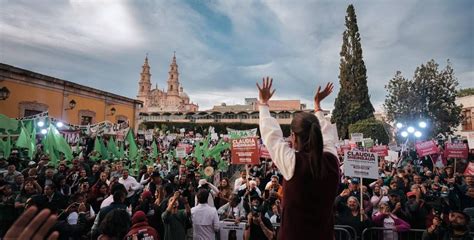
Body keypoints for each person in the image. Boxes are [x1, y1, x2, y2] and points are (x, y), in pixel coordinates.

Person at [257, 77, 340, 239]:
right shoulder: (332, 159)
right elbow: (327, 134)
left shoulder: (293, 162)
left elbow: (271, 135)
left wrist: (263, 103)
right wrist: (317, 107)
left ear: (294, 136)